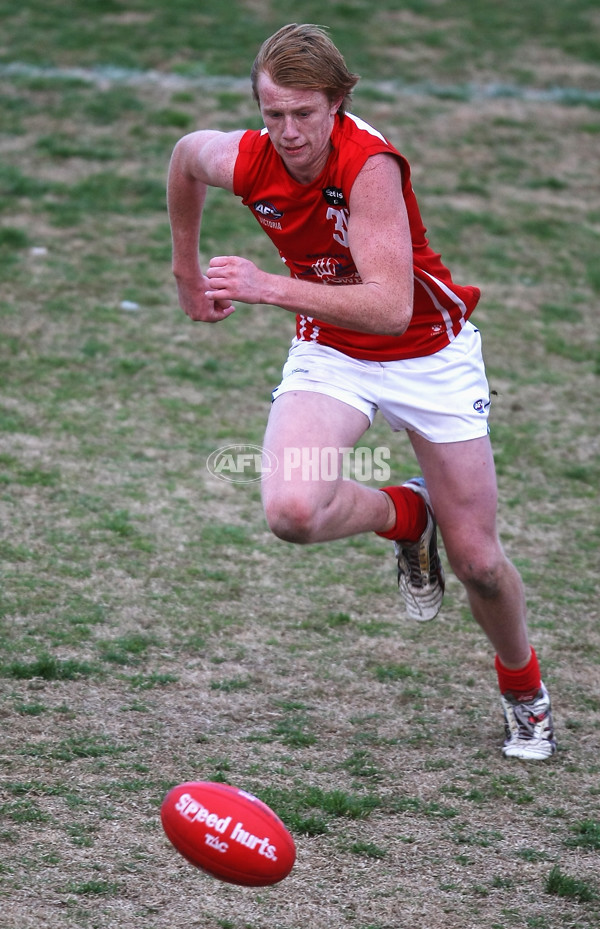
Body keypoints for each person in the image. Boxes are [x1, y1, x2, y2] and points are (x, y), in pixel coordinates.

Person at [167, 23, 556, 761]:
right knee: (290, 509)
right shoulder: (251, 157)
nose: (287, 132)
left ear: (339, 103)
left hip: (428, 353)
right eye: (272, 113)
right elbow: (185, 158)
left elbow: (388, 306)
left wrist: (267, 286)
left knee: (477, 559)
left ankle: (524, 690)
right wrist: (186, 268)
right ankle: (406, 511)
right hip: (332, 349)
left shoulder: (368, 165)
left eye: (304, 114)